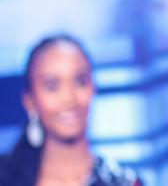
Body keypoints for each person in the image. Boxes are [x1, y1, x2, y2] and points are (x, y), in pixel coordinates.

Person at [0, 35, 142, 186]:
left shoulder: (124, 182)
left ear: (93, 88)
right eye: (52, 86)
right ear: (30, 101)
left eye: (80, 81)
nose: (69, 98)